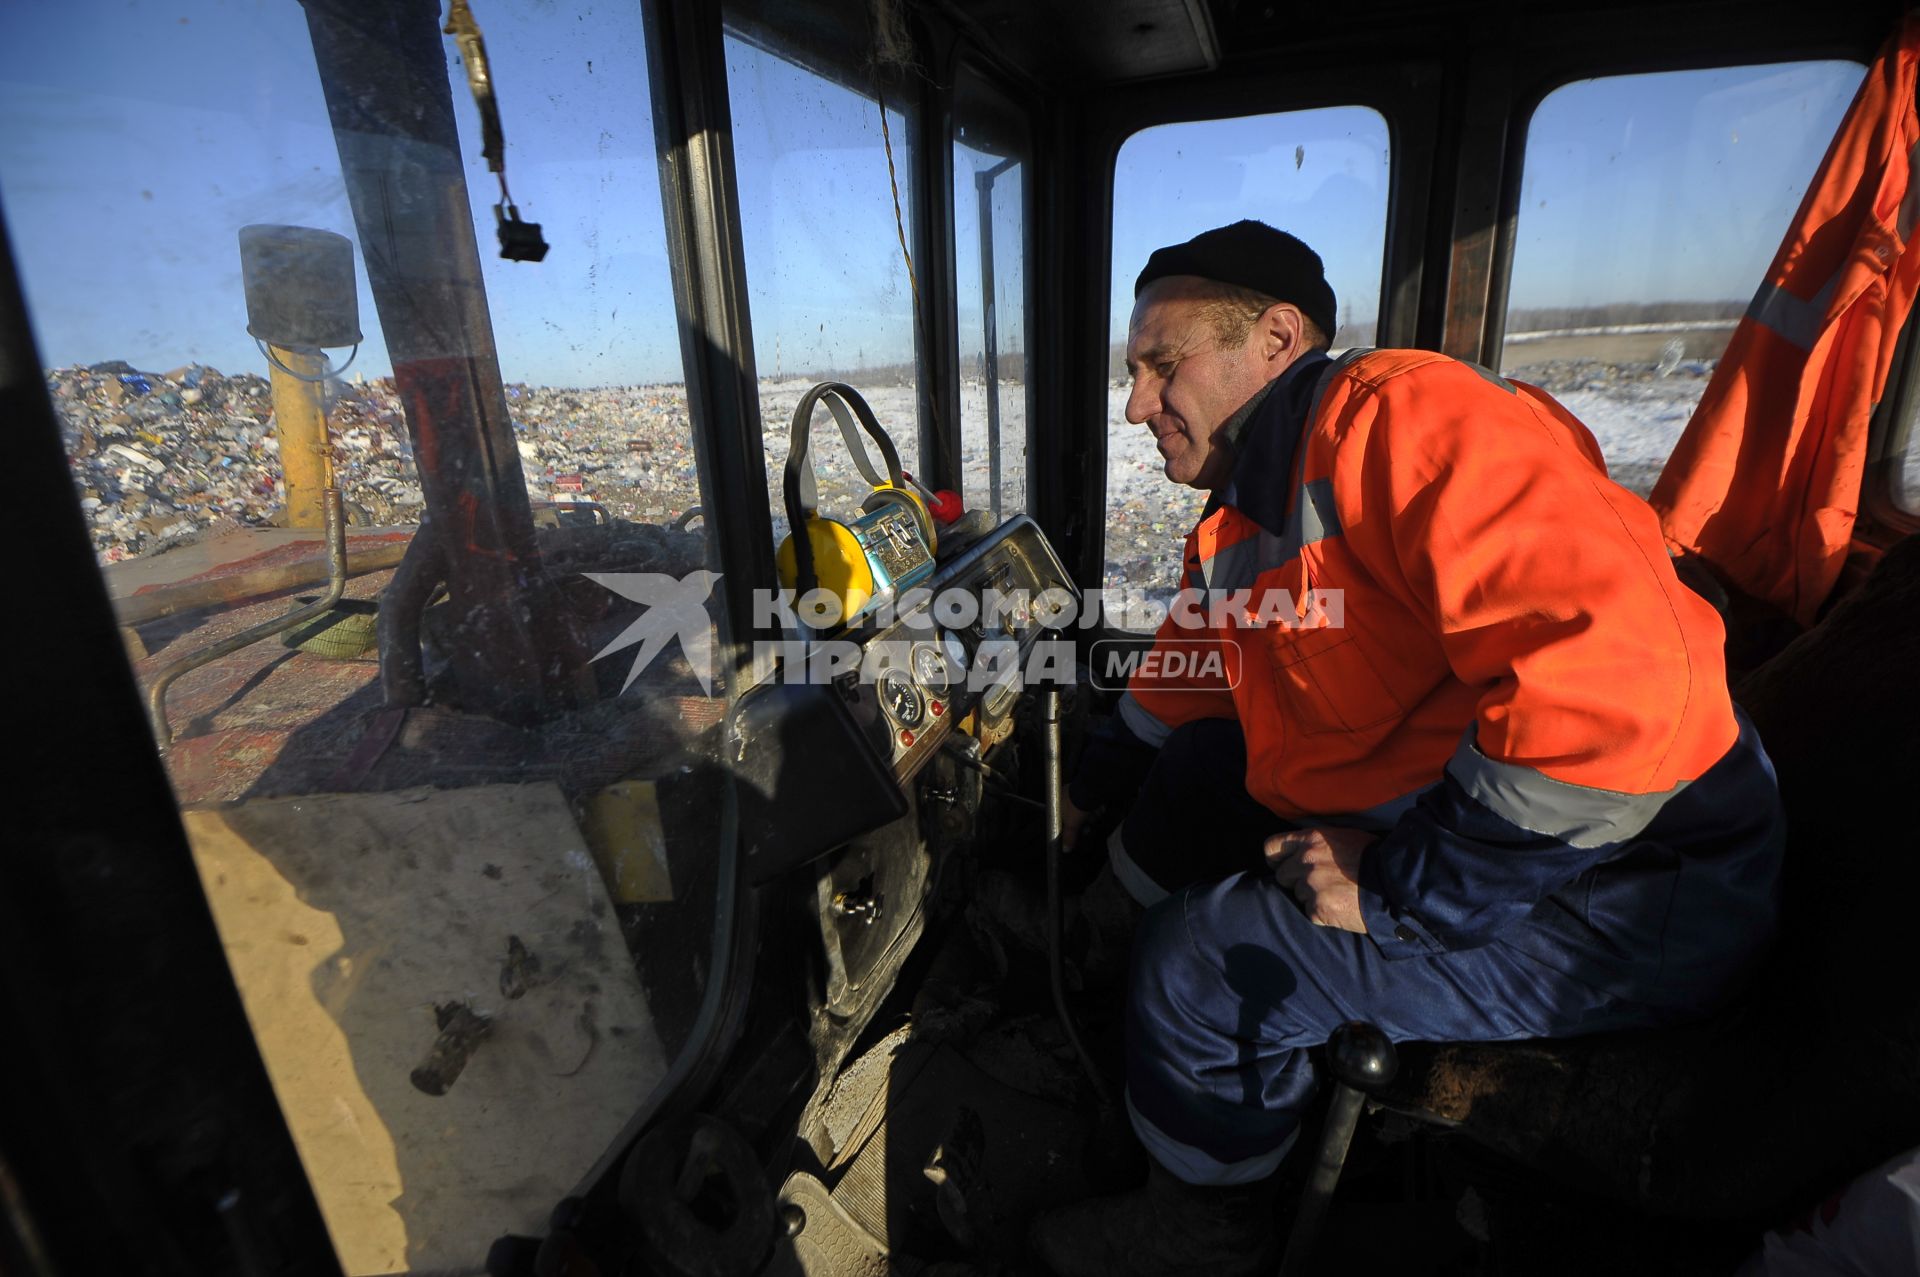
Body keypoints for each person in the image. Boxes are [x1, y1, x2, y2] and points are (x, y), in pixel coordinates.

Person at [1030, 221, 1784, 1276]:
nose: (1136, 403)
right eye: (1133, 373)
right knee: (1200, 768)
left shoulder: (1401, 422)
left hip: (1631, 886)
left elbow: (1625, 681)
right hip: (1517, 832)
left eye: (1163, 364)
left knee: (1203, 962)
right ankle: (1083, 949)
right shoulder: (1248, 513)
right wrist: (1095, 782)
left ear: (1278, 337)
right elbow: (1188, 671)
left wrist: (1398, 890)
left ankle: (1200, 1231)